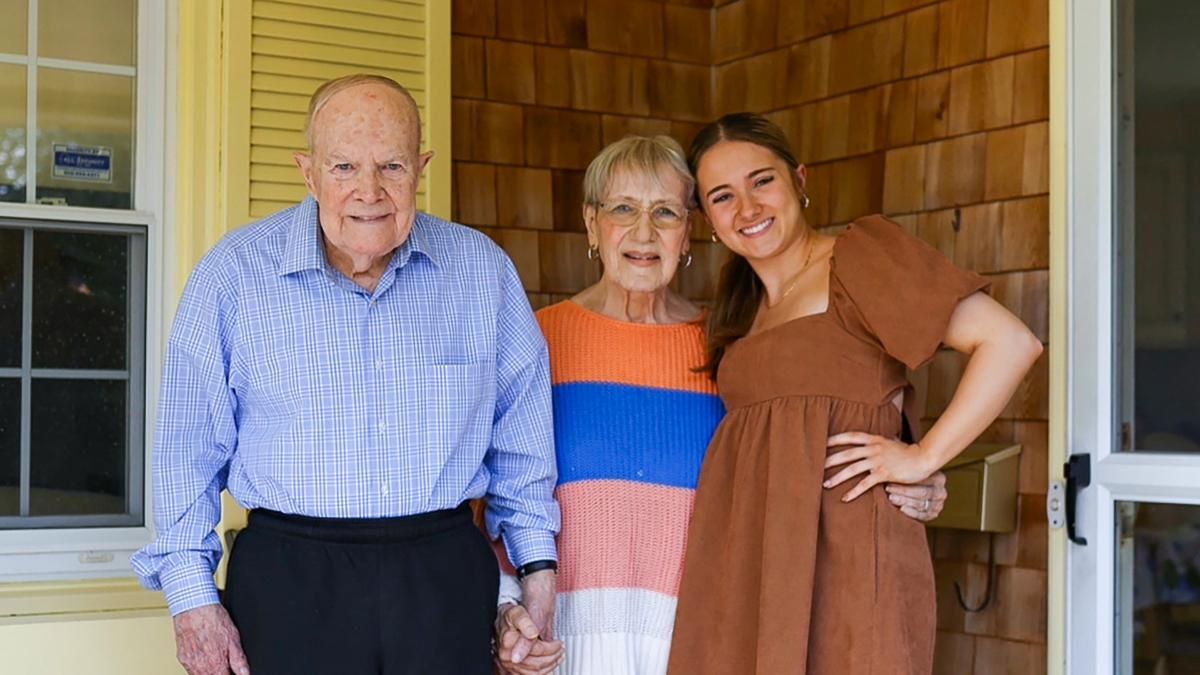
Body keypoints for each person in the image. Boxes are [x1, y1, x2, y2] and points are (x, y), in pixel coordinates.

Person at [130, 74, 561, 675]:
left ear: (421, 168)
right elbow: (186, 452)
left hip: (442, 579)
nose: (369, 191)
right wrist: (192, 600)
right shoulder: (233, 275)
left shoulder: (482, 272)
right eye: (343, 167)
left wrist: (536, 575)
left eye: (392, 166)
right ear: (308, 173)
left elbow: (522, 446)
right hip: (289, 580)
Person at [491, 136, 950, 675]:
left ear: (688, 231)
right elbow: (503, 490)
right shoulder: (537, 341)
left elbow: (796, 455)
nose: (644, 232)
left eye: (665, 212)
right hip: (564, 641)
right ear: (592, 223)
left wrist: (917, 468)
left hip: (703, 638)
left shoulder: (730, 351)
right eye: (623, 209)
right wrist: (506, 610)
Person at [666, 113, 1044, 674]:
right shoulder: (738, 309)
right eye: (723, 196)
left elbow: (1010, 342)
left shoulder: (858, 259)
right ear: (707, 218)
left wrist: (924, 458)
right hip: (754, 561)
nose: (747, 208)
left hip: (849, 558)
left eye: (762, 181)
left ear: (798, 179)